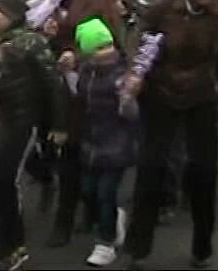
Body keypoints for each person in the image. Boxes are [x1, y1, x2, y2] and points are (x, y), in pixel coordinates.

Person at [122, 0, 218, 269]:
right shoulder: (163, 9)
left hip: (202, 95)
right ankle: (138, 249)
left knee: (204, 172)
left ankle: (202, 248)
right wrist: (137, 75)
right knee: (151, 169)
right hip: (161, 93)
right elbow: (148, 45)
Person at [27, 0, 123, 248]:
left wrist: (77, 57)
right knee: (65, 155)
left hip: (88, 90)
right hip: (56, 88)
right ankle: (73, 216)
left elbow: (110, 44)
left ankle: (81, 216)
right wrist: (48, 36)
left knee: (80, 155)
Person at [0, 0, 65, 268]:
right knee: (0, 177)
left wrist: (59, 123)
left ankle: (14, 246)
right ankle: (7, 237)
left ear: (12, 14)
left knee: (6, 180)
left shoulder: (31, 42)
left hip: (22, 120)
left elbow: (53, 82)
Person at [73, 18, 138, 267]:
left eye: (107, 45)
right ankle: (113, 219)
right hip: (91, 143)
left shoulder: (122, 75)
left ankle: (106, 242)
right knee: (89, 190)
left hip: (116, 144)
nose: (105, 52)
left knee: (105, 193)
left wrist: (128, 101)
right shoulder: (85, 72)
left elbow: (134, 115)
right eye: (97, 48)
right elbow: (78, 96)